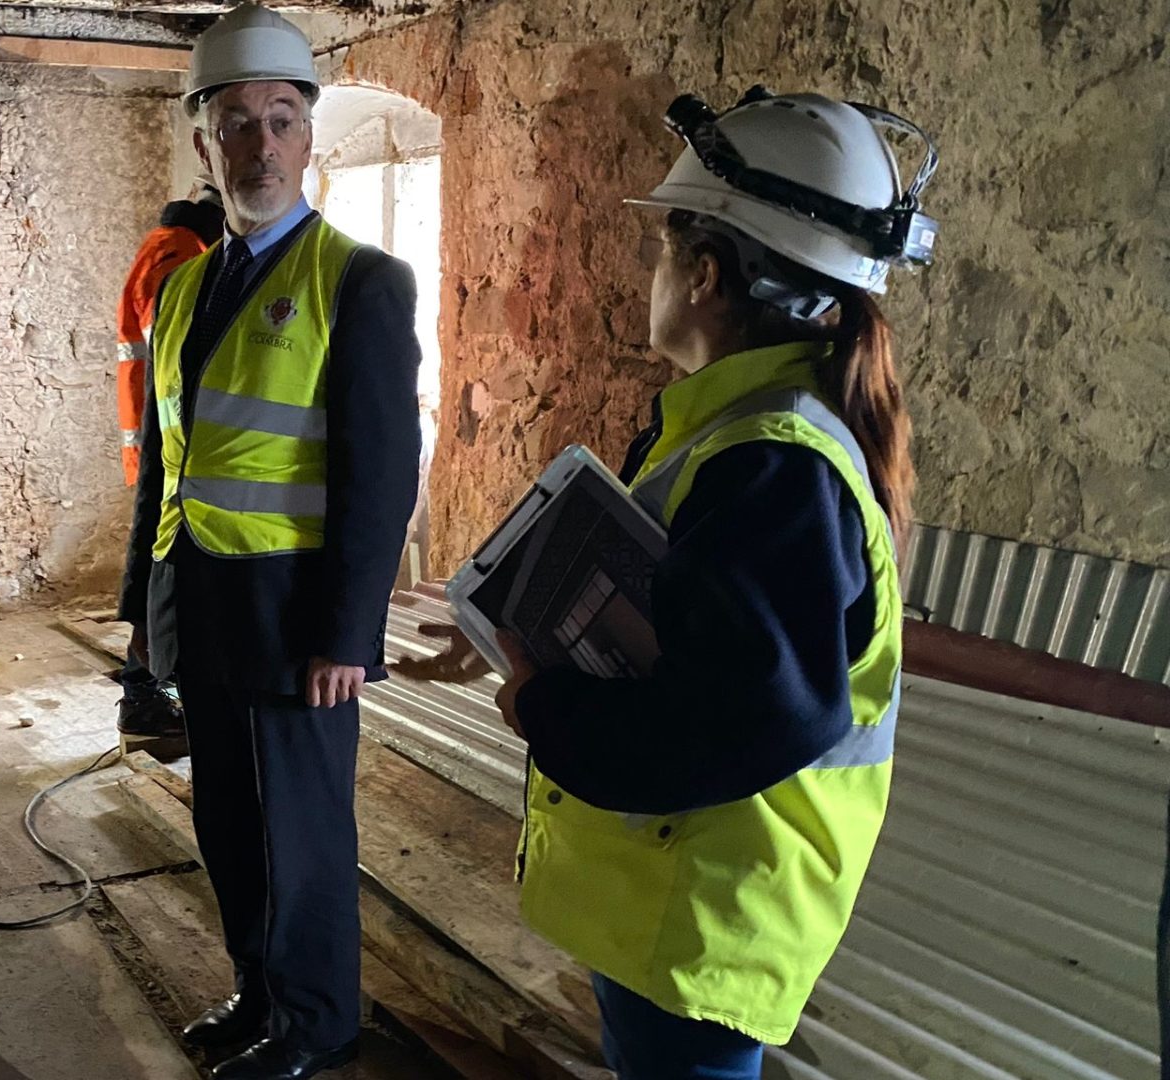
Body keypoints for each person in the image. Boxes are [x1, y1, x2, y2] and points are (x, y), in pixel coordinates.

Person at [405, 87, 938, 1079]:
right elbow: (677, 616)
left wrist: (544, 709)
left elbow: (746, 716)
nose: (648, 270)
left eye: (661, 248)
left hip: (704, 907)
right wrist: (506, 625)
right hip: (683, 891)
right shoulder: (739, 428)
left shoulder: (771, 462)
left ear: (703, 273)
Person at [119, 6, 423, 1078]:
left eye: (283, 119)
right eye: (238, 122)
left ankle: (315, 1021)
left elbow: (381, 479)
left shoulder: (358, 283)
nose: (261, 145)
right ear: (204, 141)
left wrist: (352, 633)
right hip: (199, 600)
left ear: (309, 135)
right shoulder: (188, 288)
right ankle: (257, 989)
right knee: (229, 822)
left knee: (302, 835)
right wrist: (142, 621)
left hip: (299, 616)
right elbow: (164, 461)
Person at [113, 184, 226, 737]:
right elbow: (183, 351)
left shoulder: (175, 244)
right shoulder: (178, 253)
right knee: (165, 583)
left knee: (167, 580)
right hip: (172, 449)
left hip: (169, 445)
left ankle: (153, 693)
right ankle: (147, 698)